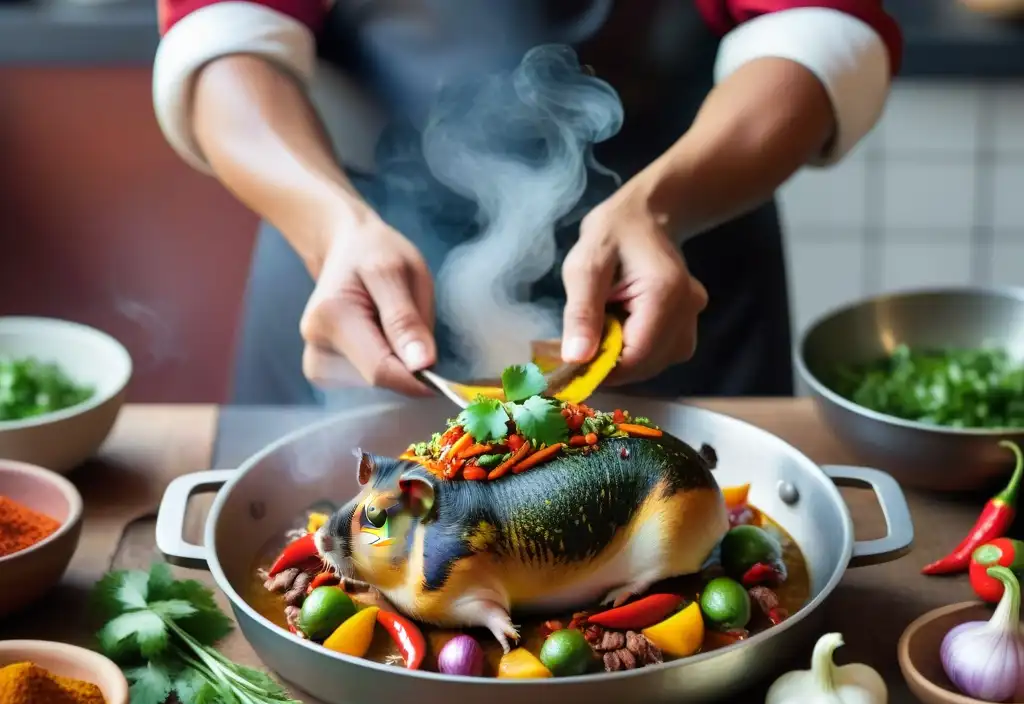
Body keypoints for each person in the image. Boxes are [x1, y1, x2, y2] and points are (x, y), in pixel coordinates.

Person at [152, 0, 902, 406]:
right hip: (351, 259)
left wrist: (662, 208)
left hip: (675, 267)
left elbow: (814, 23)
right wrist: (331, 226)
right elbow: (225, 34)